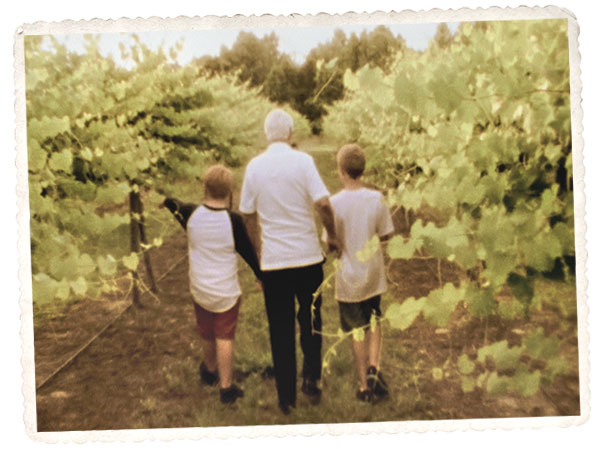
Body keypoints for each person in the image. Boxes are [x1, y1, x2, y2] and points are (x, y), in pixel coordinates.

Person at [239, 109, 339, 415]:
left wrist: (257, 253)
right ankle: (312, 380)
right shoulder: (303, 162)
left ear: (267, 134)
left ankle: (286, 398)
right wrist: (332, 233)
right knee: (311, 320)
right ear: (291, 133)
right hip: (308, 257)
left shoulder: (255, 167)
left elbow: (246, 213)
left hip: (275, 262)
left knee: (280, 327)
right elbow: (323, 202)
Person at [163, 164, 262, 405]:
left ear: (204, 188)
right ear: (230, 192)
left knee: (207, 333)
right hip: (225, 293)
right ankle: (226, 387)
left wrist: (164, 201)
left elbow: (174, 204)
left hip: (200, 289)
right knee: (224, 337)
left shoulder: (190, 213)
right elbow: (249, 254)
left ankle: (209, 371)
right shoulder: (233, 222)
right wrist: (261, 277)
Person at [325, 143, 395, 402]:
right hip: (373, 273)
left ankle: (364, 385)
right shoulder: (376, 198)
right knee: (374, 321)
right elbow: (387, 233)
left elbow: (330, 241)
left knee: (356, 329)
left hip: (348, 276)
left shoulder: (334, 203)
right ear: (362, 170)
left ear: (341, 171)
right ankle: (374, 365)